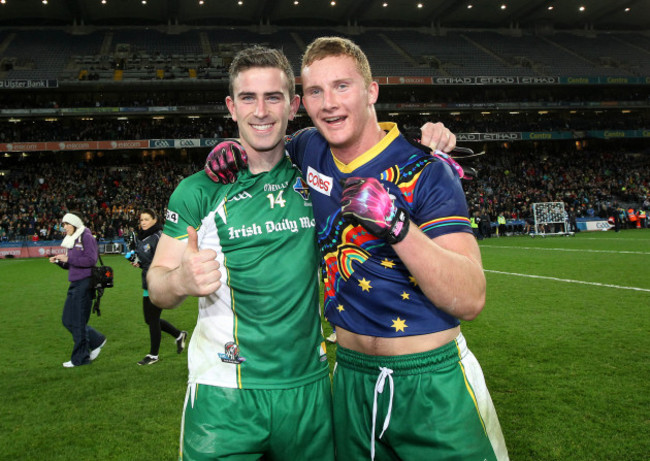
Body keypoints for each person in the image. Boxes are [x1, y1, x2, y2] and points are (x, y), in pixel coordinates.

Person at [146, 46, 335, 460]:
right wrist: (179, 280)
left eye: (273, 97)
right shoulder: (198, 190)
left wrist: (432, 138)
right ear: (231, 107)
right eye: (248, 98)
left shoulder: (319, 177)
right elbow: (157, 284)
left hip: (309, 390)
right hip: (223, 394)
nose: (261, 111)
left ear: (294, 105)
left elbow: (370, 144)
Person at [129, 208, 187, 366]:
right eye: (141, 220)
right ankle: (179, 334)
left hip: (159, 282)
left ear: (155, 220)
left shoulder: (159, 237)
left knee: (153, 319)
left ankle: (153, 355)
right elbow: (149, 260)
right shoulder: (144, 237)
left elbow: (166, 259)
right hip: (148, 281)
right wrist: (139, 262)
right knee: (149, 319)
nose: (143, 222)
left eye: (147, 219)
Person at [49, 211, 106, 368]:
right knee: (67, 320)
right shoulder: (72, 239)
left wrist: (68, 258)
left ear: (74, 224)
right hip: (75, 282)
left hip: (85, 282)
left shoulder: (86, 236)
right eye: (63, 224)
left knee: (78, 321)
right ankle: (97, 340)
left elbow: (91, 259)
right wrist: (59, 261)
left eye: (66, 224)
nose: (64, 227)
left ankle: (80, 358)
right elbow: (71, 264)